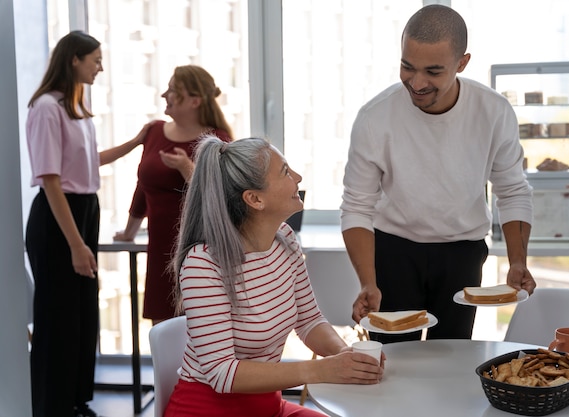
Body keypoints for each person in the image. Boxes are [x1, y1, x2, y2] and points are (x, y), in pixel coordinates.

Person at [340, 4, 537, 344]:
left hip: (463, 252)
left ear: (462, 64)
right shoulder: (375, 117)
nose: (416, 83)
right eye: (407, 67)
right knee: (393, 364)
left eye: (433, 71)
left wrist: (517, 261)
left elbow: (513, 190)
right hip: (393, 250)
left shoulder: (493, 111)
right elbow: (357, 205)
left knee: (453, 359)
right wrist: (368, 283)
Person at [165, 137, 384, 417]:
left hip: (269, 407)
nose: (298, 178)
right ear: (255, 199)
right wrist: (319, 370)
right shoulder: (204, 264)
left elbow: (309, 321)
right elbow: (221, 373)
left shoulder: (285, 240)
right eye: (285, 172)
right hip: (208, 410)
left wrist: (345, 356)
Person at [25, 31, 150, 417]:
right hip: (59, 218)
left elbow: (88, 162)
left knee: (81, 315)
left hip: (83, 211)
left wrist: (136, 142)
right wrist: (77, 244)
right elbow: (50, 180)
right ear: (74, 59)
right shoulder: (46, 107)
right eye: (94, 59)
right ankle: (52, 407)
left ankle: (76, 401)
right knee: (57, 318)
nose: (99, 66)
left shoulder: (72, 106)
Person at [113, 65, 233, 324]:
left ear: (194, 101)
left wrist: (186, 169)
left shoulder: (218, 140)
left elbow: (223, 199)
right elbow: (143, 188)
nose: (164, 95)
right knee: (163, 331)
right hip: (160, 251)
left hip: (201, 251)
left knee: (201, 333)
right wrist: (129, 231)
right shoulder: (154, 131)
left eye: (172, 90)